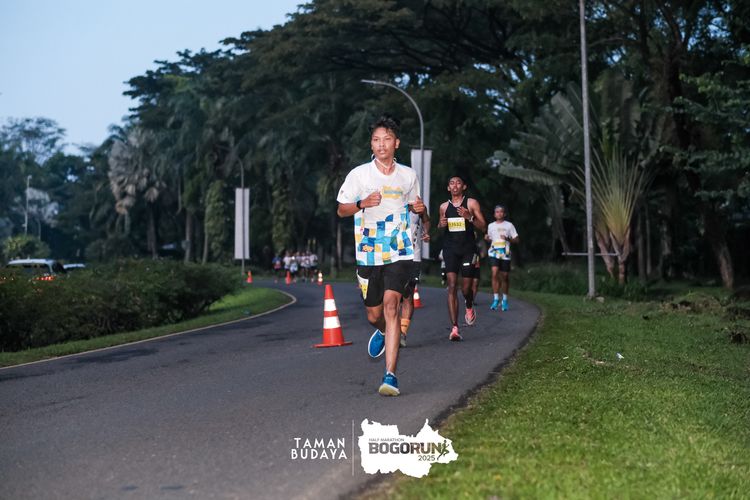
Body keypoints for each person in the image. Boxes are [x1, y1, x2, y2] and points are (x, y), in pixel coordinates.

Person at [336, 114, 425, 396]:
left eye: (387, 139)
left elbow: (415, 206)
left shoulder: (408, 175)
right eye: (376, 139)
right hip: (368, 251)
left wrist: (420, 209)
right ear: (371, 144)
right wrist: (362, 203)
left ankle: (390, 376)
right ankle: (383, 330)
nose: (381, 144)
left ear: (396, 143)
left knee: (391, 307)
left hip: (399, 249)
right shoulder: (359, 175)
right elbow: (341, 209)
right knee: (374, 315)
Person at [438, 175, 486, 341]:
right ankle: (455, 328)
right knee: (452, 286)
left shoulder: (471, 203)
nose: (455, 185)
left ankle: (469, 305)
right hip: (450, 249)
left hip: (468, 250)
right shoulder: (444, 206)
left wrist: (469, 217)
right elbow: (440, 225)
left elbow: (483, 226)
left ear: (464, 187)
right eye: (451, 183)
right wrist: (440, 225)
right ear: (448, 188)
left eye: (458, 183)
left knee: (466, 289)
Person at [399, 204, 430, 348]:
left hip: (413, 257)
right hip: (392, 256)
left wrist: (426, 231)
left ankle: (402, 333)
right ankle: (390, 329)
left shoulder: (418, 204)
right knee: (391, 296)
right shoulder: (390, 199)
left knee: (407, 295)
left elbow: (426, 220)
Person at [486, 204, 520, 311]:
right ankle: (496, 299)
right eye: (497, 212)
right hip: (494, 252)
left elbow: (517, 239)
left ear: (504, 214)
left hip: (505, 253)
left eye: (501, 211)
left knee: (504, 276)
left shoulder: (509, 225)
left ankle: (504, 300)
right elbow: (489, 238)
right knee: (494, 272)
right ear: (494, 214)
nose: (499, 213)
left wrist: (508, 238)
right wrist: (487, 238)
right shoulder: (491, 226)